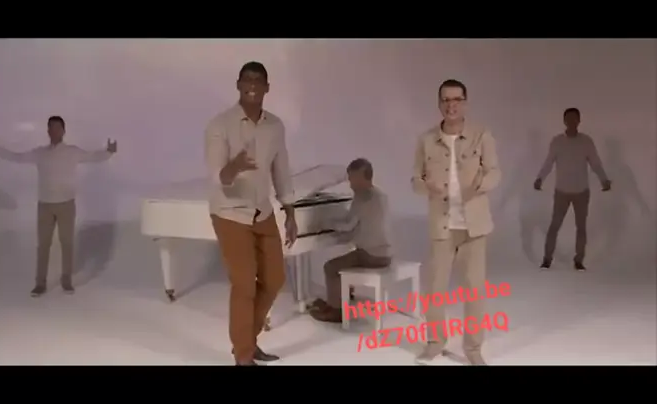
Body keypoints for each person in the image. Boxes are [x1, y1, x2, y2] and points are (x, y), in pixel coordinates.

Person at [204, 61, 298, 366]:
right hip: (229, 212)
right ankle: (243, 357)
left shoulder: (275, 126)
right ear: (238, 85)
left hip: (262, 211)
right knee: (244, 284)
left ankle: (247, 342)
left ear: (267, 87)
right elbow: (219, 177)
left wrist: (290, 212)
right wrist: (235, 166)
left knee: (275, 279)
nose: (253, 84)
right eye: (247, 79)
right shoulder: (219, 125)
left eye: (259, 80)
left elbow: (281, 170)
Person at [410, 79, 501, 365]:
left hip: (474, 226)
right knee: (434, 289)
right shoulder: (426, 140)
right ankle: (435, 343)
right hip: (442, 225)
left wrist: (479, 186)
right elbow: (415, 179)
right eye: (446, 100)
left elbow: (495, 172)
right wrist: (428, 187)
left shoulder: (481, 135)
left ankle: (473, 349)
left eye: (456, 99)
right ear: (439, 104)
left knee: (474, 291)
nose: (451, 105)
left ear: (465, 103)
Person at [0, 116, 116, 297]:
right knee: (43, 245)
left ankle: (66, 281)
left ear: (63, 131)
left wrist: (109, 152)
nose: (54, 131)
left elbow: (93, 157)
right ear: (48, 131)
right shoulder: (40, 153)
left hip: (66, 205)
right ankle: (40, 284)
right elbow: (18, 157)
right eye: (51, 128)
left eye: (58, 128)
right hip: (45, 206)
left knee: (67, 244)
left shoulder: (72, 152)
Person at [308, 158, 392, 323]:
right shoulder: (380, 194)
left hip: (371, 255)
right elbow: (361, 226)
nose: (350, 183)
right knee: (349, 256)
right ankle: (339, 298)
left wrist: (324, 224)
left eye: (352, 178)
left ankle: (336, 311)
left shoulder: (362, 197)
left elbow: (347, 226)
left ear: (362, 177)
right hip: (385, 253)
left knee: (330, 267)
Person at [534, 108, 611, 271]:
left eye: (574, 118)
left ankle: (579, 260)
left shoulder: (586, 141)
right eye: (568, 119)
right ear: (564, 121)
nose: (571, 122)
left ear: (579, 120)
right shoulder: (557, 142)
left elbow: (595, 162)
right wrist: (540, 178)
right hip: (562, 191)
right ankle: (547, 259)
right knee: (554, 225)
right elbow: (549, 162)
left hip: (581, 191)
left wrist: (603, 179)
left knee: (581, 227)